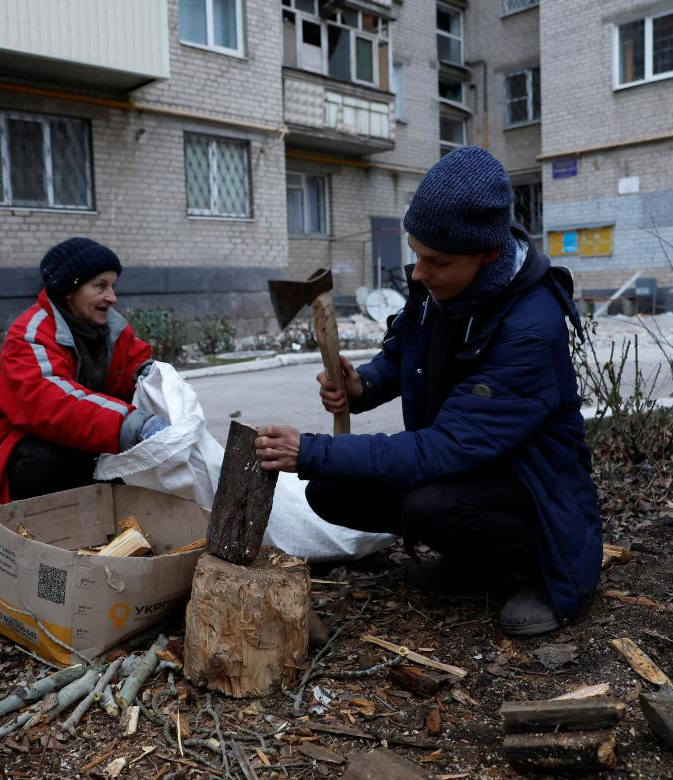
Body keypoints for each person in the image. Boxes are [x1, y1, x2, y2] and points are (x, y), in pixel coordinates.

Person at [255, 146, 602, 636]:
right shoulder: (442, 285)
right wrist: (363, 385)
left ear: (489, 256)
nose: (418, 273)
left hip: (531, 487)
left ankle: (545, 569)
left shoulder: (530, 330)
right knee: (332, 491)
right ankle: (471, 557)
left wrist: (310, 450)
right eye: (416, 255)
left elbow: (441, 448)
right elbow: (404, 355)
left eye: (434, 261)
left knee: (428, 502)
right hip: (466, 467)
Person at [0, 237, 168, 533]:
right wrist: (131, 423)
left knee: (125, 466)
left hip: (77, 438)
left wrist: (151, 378)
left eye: (112, 286)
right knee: (48, 460)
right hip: (24, 447)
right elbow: (49, 399)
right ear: (70, 290)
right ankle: (41, 532)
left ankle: (94, 529)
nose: (112, 297)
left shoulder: (112, 330)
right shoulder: (30, 333)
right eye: (100, 286)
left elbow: (131, 365)